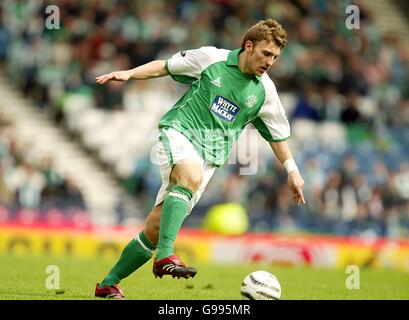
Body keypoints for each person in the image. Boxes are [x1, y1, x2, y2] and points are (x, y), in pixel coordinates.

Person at [94, 18, 305, 299]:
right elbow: (167, 66)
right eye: (266, 54)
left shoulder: (265, 92)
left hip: (209, 160)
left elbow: (277, 135)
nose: (270, 62)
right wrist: (129, 74)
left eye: (276, 58)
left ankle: (109, 283)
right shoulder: (211, 59)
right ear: (248, 45)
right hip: (178, 132)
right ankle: (165, 257)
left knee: (156, 228)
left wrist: (292, 170)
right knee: (189, 176)